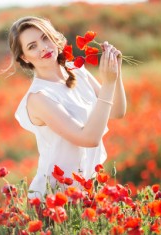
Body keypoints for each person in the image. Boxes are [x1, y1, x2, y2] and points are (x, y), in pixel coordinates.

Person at [7, 16, 127, 200]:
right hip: (55, 198)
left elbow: (117, 111)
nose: (43, 48)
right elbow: (88, 138)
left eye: (45, 37)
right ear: (24, 57)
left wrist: (115, 74)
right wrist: (108, 84)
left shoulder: (76, 70)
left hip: (86, 189)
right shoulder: (39, 97)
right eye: (32, 46)